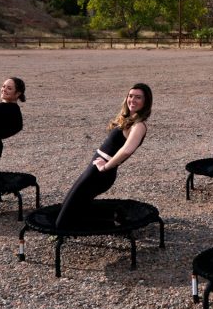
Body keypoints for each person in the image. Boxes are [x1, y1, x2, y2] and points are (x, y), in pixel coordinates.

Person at [55, 83, 152, 228]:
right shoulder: (128, 119)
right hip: (95, 169)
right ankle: (112, 213)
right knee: (73, 206)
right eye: (130, 96)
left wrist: (106, 166)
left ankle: (113, 222)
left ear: (145, 102)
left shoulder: (139, 125)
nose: (132, 100)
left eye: (138, 97)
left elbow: (127, 150)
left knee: (62, 222)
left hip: (100, 173)